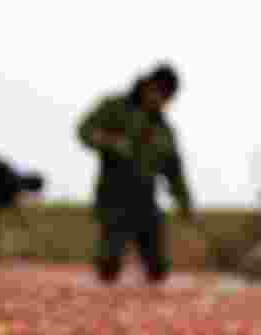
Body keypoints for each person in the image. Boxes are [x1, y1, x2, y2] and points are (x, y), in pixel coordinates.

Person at [77, 64, 195, 284]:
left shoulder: (164, 130)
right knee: (109, 263)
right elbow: (84, 130)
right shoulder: (114, 107)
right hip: (113, 196)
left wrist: (185, 202)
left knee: (158, 267)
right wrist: (110, 142)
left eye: (167, 96)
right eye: (159, 92)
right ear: (147, 86)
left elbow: (175, 171)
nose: (161, 100)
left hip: (145, 201)